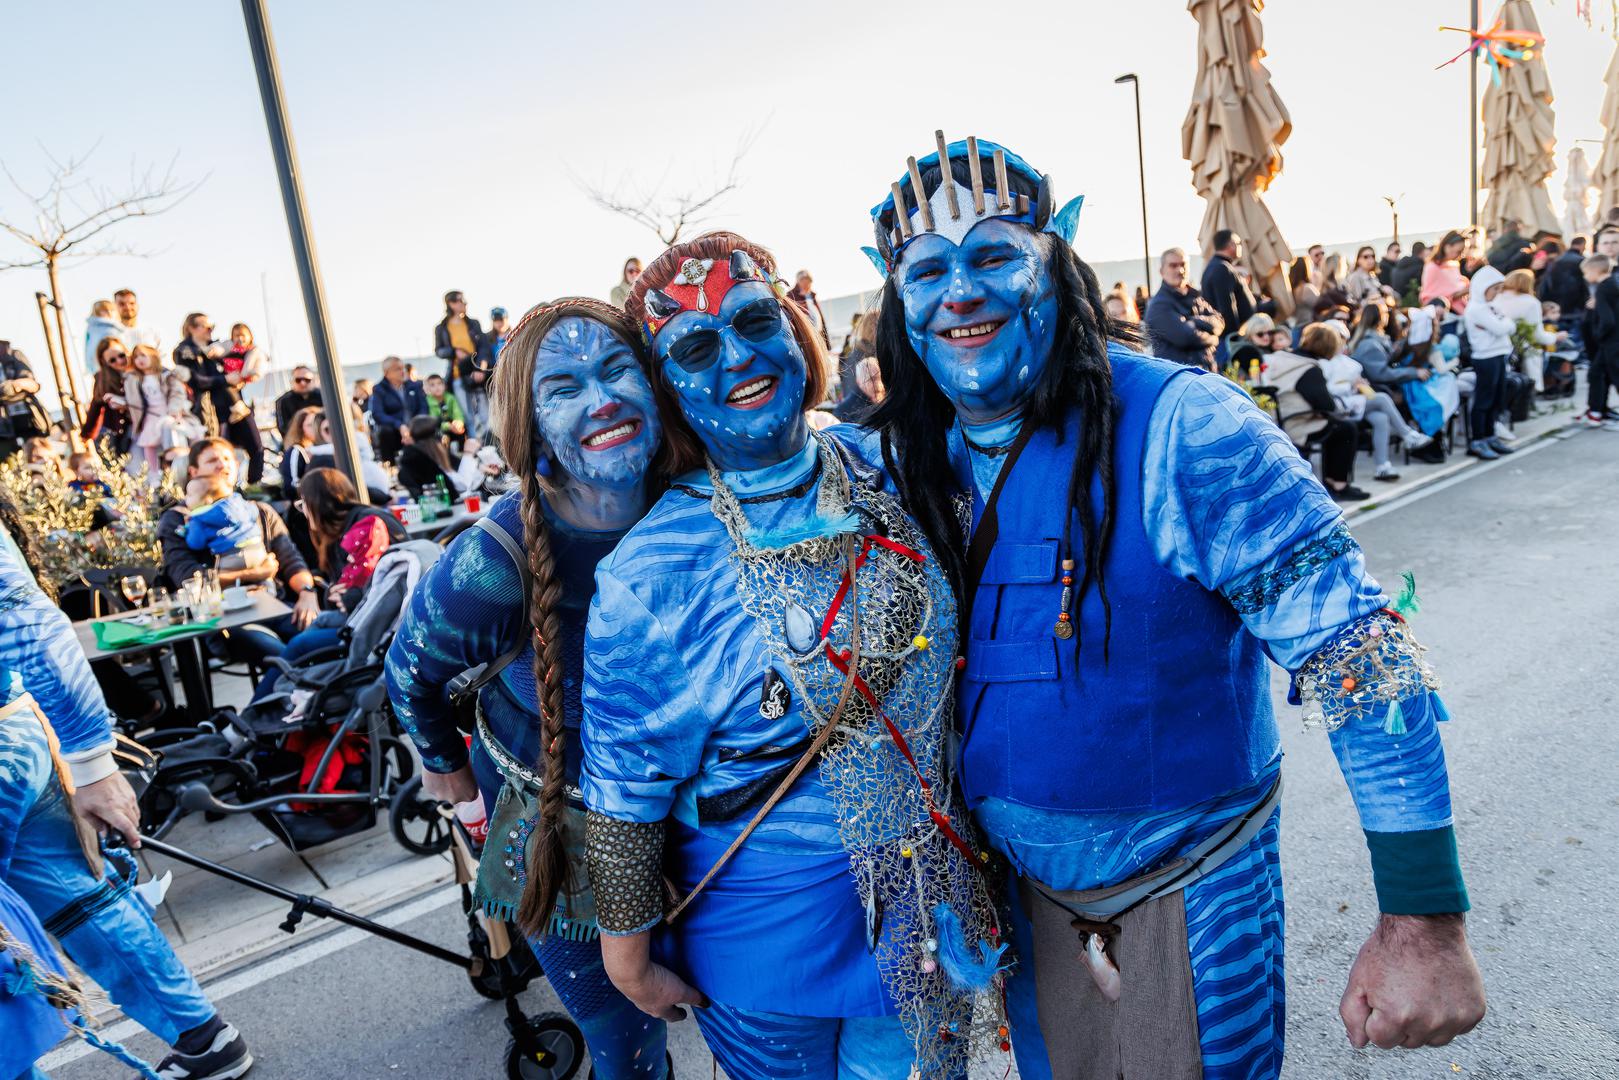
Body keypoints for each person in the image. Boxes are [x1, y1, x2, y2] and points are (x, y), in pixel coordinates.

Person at [866, 136, 1483, 1079]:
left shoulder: (1186, 425)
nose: (959, 292)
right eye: (927, 269)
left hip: (1194, 898)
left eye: (993, 255)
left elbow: (1362, 657)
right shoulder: (900, 462)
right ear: (891, 293)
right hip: (1026, 917)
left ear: (1057, 257)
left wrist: (1422, 921)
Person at [583, 232, 1005, 1079]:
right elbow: (625, 789)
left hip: (926, 912)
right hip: (765, 942)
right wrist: (626, 961)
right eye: (698, 348)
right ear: (666, 390)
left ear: (796, 328)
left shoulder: (889, 464)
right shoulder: (650, 573)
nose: (739, 356)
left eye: (754, 320)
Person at [387, 297, 674, 1079]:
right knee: (626, 1043)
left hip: (694, 811)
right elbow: (407, 675)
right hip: (550, 821)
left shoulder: (698, 496)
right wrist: (450, 776)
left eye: (618, 370)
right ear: (527, 425)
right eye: (563, 387)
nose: (601, 399)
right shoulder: (491, 562)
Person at [0, 498, 254, 1080]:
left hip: (11, 732)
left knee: (73, 896)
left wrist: (91, 759)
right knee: (77, 894)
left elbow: (22, 617)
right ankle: (204, 1038)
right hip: (17, 727)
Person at [156, 437, 320, 641]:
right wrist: (255, 573)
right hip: (222, 620)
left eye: (228, 459)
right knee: (285, 651)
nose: (223, 465)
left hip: (272, 604)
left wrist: (307, 593)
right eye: (212, 460)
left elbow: (291, 560)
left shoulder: (259, 511)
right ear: (193, 472)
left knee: (322, 636)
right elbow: (187, 577)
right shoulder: (179, 520)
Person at [1318, 322, 1432, 481]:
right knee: (1382, 399)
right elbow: (1327, 391)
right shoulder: (1322, 364)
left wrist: (1359, 386)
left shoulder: (1344, 361)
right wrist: (1351, 385)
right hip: (1337, 406)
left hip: (1352, 403)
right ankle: (1407, 435)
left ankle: (1382, 466)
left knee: (1381, 418)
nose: (1342, 343)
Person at [173, 313, 265, 484]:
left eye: (212, 327)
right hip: (208, 410)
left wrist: (244, 374)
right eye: (206, 326)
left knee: (256, 447)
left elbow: (241, 361)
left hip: (235, 404)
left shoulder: (219, 347)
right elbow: (195, 380)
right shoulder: (184, 351)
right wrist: (225, 379)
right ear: (192, 328)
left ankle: (254, 485)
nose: (210, 330)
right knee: (215, 454)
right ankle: (218, 489)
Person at [297, 467, 405, 614]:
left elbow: (398, 576)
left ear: (318, 502)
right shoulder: (340, 530)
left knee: (302, 637)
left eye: (303, 502)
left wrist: (351, 597)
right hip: (366, 617)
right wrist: (332, 595)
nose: (303, 510)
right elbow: (340, 586)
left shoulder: (368, 524)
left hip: (385, 619)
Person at [1460, 266, 1518, 459]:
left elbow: (1508, 325)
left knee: (1496, 399)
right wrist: (1504, 324)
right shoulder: (1476, 309)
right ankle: (1478, 440)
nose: (1497, 293)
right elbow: (1502, 328)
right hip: (1485, 358)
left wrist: (1504, 324)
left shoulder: (1489, 306)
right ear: (1482, 288)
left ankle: (1490, 435)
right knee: (1483, 400)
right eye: (1494, 289)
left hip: (1498, 355)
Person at [122, 343, 193, 485]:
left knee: (174, 444)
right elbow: (132, 399)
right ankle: (154, 476)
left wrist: (174, 409)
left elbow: (177, 393)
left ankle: (179, 473)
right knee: (148, 445)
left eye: (143, 355)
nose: (139, 360)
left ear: (153, 356)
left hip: (168, 414)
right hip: (150, 416)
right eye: (136, 357)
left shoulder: (166, 375)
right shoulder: (134, 379)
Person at [1145, 246, 1223, 369]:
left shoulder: (1196, 297)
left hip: (1207, 372)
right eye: (1173, 265)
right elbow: (1187, 337)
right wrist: (1214, 338)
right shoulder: (1158, 306)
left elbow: (1220, 322)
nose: (1180, 270)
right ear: (1161, 271)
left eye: (1183, 264)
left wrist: (1195, 321)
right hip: (1179, 379)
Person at [1496, 268, 1564, 394]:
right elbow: (1537, 336)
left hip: (1498, 346)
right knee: (1537, 351)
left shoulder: (1495, 297)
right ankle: (1533, 391)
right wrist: (1555, 337)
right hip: (1520, 350)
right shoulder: (1531, 302)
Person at [395, 415, 488, 497]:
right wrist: (468, 454)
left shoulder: (434, 457)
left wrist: (480, 471)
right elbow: (461, 486)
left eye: (407, 436)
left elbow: (463, 482)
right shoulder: (422, 462)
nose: (402, 441)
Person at [1200, 229, 1255, 364]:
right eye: (1238, 243)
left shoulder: (1217, 266)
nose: (1240, 247)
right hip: (1227, 339)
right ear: (1231, 245)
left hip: (1225, 337)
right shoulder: (1221, 268)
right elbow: (1226, 306)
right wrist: (1235, 337)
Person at [1581, 252, 1619, 428]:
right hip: (1612, 342)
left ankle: (1596, 412)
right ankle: (1595, 412)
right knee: (1596, 373)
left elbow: (1607, 320)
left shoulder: (1604, 288)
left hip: (1611, 341)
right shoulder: (1614, 283)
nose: (1585, 276)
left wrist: (1597, 334)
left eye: (1586, 272)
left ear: (1595, 270)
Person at [434, 290, 485, 420]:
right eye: (460, 300)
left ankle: (489, 440)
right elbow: (438, 351)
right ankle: (473, 440)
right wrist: (453, 351)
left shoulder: (473, 323)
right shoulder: (441, 328)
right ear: (451, 304)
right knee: (467, 415)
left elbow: (483, 347)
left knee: (486, 414)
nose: (464, 303)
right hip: (457, 375)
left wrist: (480, 368)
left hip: (477, 373)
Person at [368, 356, 427, 463]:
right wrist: (399, 425)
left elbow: (423, 408)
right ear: (386, 373)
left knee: (429, 424)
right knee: (385, 431)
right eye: (397, 369)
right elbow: (378, 414)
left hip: (415, 426)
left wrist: (414, 426)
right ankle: (390, 466)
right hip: (395, 430)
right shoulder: (379, 389)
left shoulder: (415, 386)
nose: (402, 371)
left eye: (403, 368)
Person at [80, 336, 132, 454]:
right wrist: (86, 435)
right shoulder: (103, 379)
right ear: (105, 362)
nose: (119, 361)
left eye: (121, 355)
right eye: (112, 360)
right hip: (122, 430)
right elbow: (95, 407)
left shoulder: (140, 367)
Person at [0, 340, 43, 464]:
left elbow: (33, 385)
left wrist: (14, 386)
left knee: (39, 465)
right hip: (3, 434)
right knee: (10, 472)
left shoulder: (12, 355)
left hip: (30, 424)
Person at [1422, 231, 1472, 314]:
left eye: (1463, 252)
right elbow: (1430, 297)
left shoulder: (1454, 265)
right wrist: (1463, 291)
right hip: (1444, 314)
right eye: (1459, 251)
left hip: (1460, 311)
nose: (1461, 255)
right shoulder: (1432, 267)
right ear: (1447, 247)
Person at [785, 268, 832, 351]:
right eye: (803, 281)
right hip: (803, 340)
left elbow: (821, 319)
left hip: (818, 336)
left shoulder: (812, 296)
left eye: (808, 281)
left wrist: (827, 344)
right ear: (798, 282)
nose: (806, 284)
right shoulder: (790, 296)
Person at [274, 365, 321, 435]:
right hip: (297, 441)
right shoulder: (283, 401)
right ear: (292, 382)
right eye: (298, 380)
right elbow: (283, 427)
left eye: (307, 380)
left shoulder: (323, 396)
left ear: (313, 381)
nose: (303, 383)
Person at [422, 372, 467, 442]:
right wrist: (449, 426)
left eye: (439, 383)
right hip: (439, 427)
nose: (437, 387)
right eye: (432, 385)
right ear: (428, 389)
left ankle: (460, 449)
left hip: (451, 424)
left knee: (462, 429)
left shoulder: (450, 398)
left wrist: (459, 422)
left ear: (444, 385)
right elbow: (433, 421)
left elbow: (457, 413)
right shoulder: (428, 401)